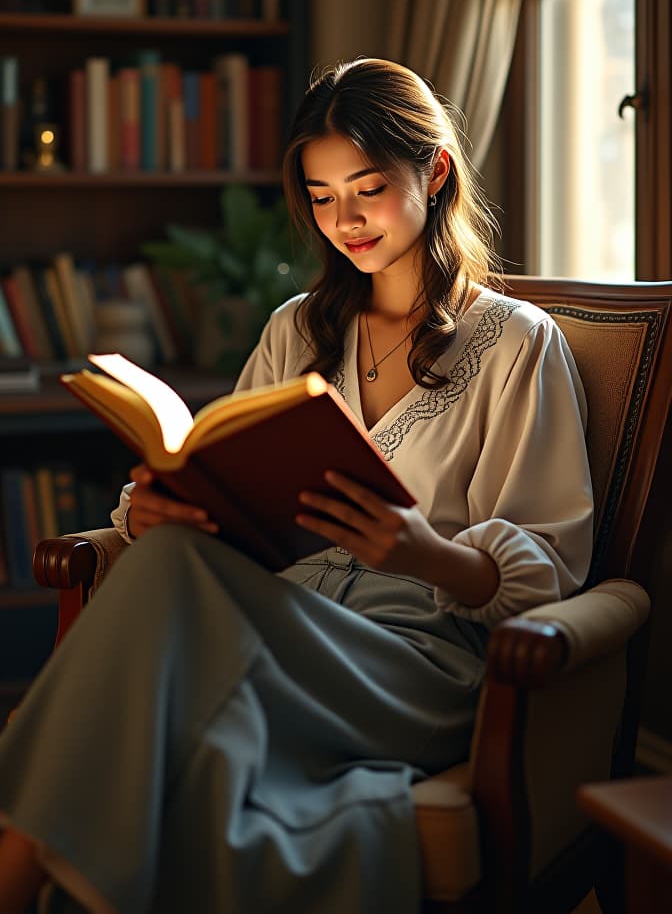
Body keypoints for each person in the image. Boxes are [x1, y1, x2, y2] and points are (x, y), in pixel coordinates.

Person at [0, 58, 593, 914]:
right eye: (320, 197)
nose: (343, 221)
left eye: (367, 189)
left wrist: (426, 555)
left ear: (433, 172)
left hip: (415, 663)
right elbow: (231, 478)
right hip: (282, 625)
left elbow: (553, 567)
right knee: (167, 556)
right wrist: (165, 505)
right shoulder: (297, 331)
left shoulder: (516, 345)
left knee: (155, 617)